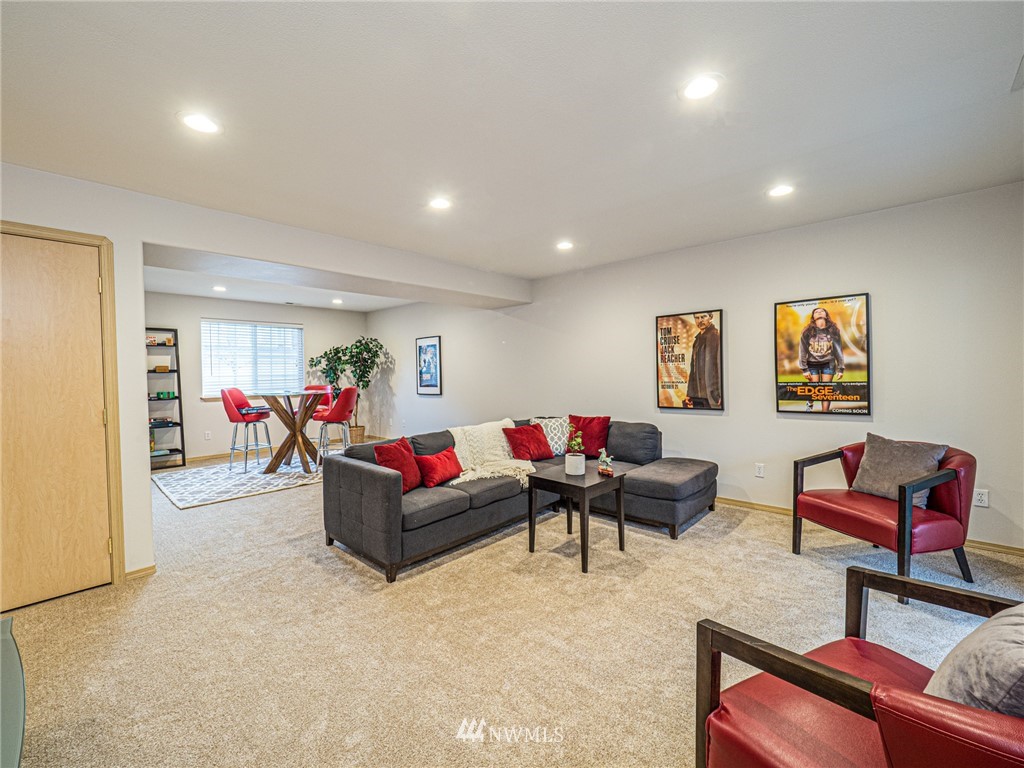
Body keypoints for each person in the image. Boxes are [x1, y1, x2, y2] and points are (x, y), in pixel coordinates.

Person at [799, 306, 844, 412]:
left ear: (826, 315)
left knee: (826, 390)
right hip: (812, 363)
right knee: (814, 388)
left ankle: (825, 413)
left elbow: (838, 350)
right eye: (816, 312)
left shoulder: (833, 331)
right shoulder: (807, 332)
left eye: (822, 311)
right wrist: (804, 369)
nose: (819, 312)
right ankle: (810, 403)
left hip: (828, 363)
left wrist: (841, 368)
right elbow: (802, 350)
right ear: (813, 317)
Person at [685, 312, 722, 409]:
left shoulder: (715, 337)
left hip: (711, 396)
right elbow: (693, 369)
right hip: (697, 396)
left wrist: (720, 394)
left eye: (703, 317)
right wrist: (690, 393)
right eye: (697, 318)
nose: (700, 320)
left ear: (711, 317)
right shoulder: (697, 340)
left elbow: (720, 367)